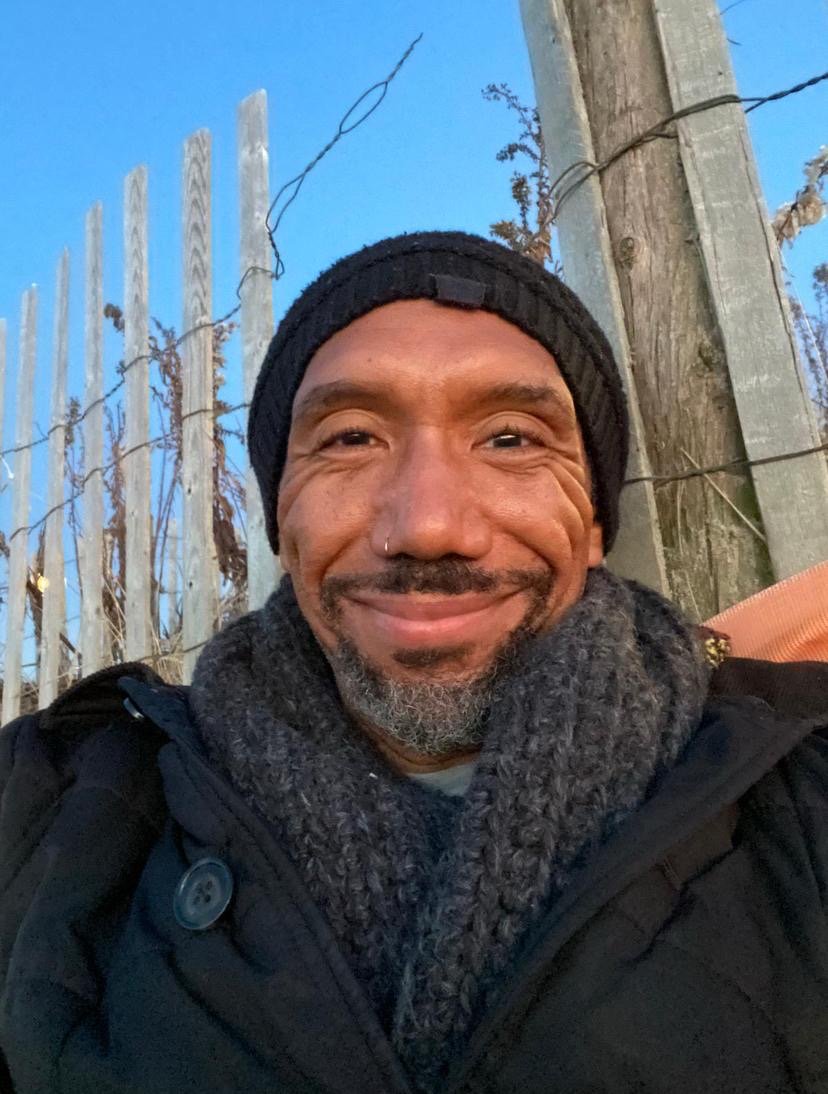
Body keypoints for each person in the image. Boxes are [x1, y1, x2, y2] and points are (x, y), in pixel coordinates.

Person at [1, 231, 826, 1094]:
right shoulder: (46, 811)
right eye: (352, 437)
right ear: (284, 521)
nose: (428, 523)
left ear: (592, 524)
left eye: (510, 439)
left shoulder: (804, 773)